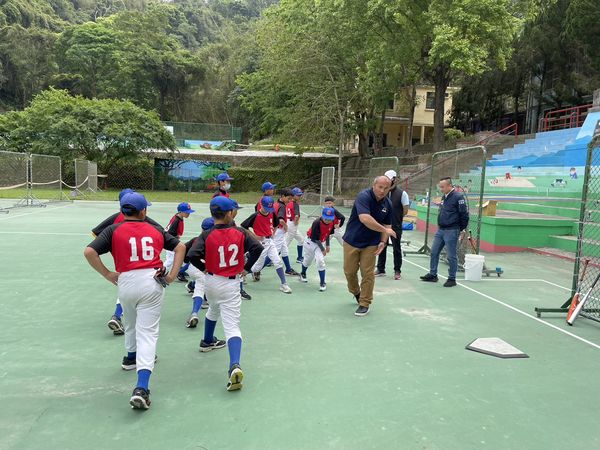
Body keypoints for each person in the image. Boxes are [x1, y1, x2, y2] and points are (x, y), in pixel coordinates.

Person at [84, 192, 186, 410]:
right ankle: (141, 387)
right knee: (148, 333)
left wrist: (107, 274)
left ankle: (131, 357)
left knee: (130, 322)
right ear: (143, 211)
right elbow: (180, 247)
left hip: (125, 282)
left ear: (123, 211)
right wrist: (172, 275)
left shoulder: (113, 229)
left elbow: (89, 251)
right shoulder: (153, 228)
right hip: (150, 281)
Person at [187, 196, 263, 391]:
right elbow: (257, 248)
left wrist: (203, 268)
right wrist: (246, 268)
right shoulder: (239, 232)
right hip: (230, 283)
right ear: (230, 213)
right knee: (232, 326)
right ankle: (234, 365)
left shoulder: (207, 234)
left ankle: (207, 340)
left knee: (213, 308)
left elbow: (192, 254)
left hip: (211, 281)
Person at [91, 188, 163, 336]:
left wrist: (110, 246)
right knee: (134, 290)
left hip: (122, 259)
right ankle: (117, 316)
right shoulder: (142, 220)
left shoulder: (114, 219)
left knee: (127, 288)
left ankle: (119, 316)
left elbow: (95, 233)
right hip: (140, 261)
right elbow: (161, 232)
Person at [343, 176, 395, 317]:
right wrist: (385, 231)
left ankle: (364, 302)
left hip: (371, 243)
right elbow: (365, 218)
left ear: (390, 188)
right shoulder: (363, 196)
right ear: (374, 185)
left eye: (386, 188)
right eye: (380, 187)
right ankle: (356, 292)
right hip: (352, 240)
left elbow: (387, 225)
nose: (382, 191)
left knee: (368, 273)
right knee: (349, 271)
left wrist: (383, 242)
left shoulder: (388, 204)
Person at [420, 177, 469, 287]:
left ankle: (452, 278)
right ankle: (433, 274)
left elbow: (464, 214)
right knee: (434, 252)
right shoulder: (444, 197)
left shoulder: (458, 196)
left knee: (451, 255)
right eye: (440, 187)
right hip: (441, 230)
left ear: (449, 186)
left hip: (452, 230)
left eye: (442, 187)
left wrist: (461, 229)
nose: (441, 189)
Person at [241, 196, 293, 294]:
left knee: (278, 261)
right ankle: (242, 273)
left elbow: (276, 224)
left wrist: (273, 233)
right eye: (266, 208)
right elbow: (243, 226)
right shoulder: (255, 216)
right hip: (260, 244)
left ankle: (284, 284)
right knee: (257, 268)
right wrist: (254, 236)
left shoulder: (272, 213)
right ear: (261, 205)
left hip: (270, 242)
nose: (268, 211)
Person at [375, 170, 410, 280]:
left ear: (394, 180)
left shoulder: (402, 194)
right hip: (383, 225)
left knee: (396, 248)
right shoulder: (382, 193)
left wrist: (396, 218)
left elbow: (405, 210)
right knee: (382, 245)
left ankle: (397, 270)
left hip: (395, 226)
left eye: (389, 180)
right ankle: (381, 269)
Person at [183, 217, 215, 328]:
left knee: (200, 285)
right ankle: (194, 312)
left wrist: (186, 261)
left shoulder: (196, 239)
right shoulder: (215, 241)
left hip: (192, 268)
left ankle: (192, 286)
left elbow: (184, 249)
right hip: (204, 269)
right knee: (202, 286)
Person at [299, 207, 335, 291]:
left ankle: (322, 282)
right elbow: (315, 238)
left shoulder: (331, 223)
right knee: (307, 261)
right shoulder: (316, 222)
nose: (328, 220)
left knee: (320, 261)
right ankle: (303, 273)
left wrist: (328, 245)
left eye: (330, 219)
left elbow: (328, 233)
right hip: (310, 242)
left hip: (320, 243)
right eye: (326, 218)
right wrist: (323, 249)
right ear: (322, 215)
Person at [164, 202, 195, 281]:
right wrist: (176, 240)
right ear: (181, 212)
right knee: (170, 260)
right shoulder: (176, 220)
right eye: (187, 212)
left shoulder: (179, 218)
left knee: (180, 256)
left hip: (172, 240)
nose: (188, 214)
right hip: (169, 242)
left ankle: (180, 270)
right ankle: (160, 272)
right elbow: (169, 233)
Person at [285, 187, 305, 263]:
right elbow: (296, 215)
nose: (300, 197)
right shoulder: (295, 204)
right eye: (298, 195)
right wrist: (296, 222)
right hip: (292, 225)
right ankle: (271, 259)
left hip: (289, 223)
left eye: (300, 195)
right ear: (293, 195)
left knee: (301, 240)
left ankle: (299, 258)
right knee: (285, 244)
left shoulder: (288, 203)